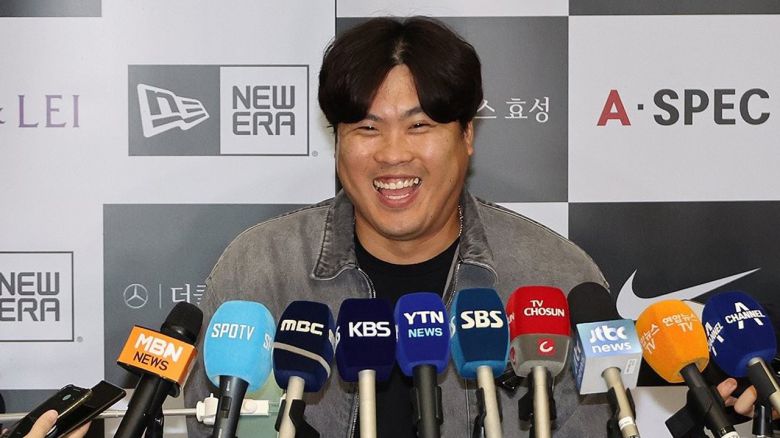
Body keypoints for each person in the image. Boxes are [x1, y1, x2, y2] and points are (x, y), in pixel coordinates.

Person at [184, 16, 776, 437]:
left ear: (467, 135)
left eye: (420, 126)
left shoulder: (554, 275)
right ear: (337, 141)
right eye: (365, 128)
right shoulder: (260, 270)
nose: (392, 154)